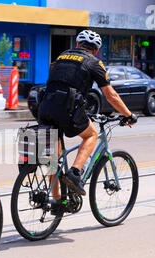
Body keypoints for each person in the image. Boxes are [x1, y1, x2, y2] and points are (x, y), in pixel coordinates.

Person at [37, 30, 137, 214]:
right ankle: (75, 172)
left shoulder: (61, 57)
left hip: (44, 107)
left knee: (53, 159)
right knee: (91, 134)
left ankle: (58, 202)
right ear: (97, 50)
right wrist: (129, 115)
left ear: (78, 44)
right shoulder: (94, 63)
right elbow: (111, 95)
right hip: (66, 108)